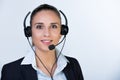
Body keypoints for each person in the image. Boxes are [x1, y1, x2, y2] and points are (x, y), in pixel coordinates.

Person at [1, 4, 84, 80]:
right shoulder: (10, 71)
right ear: (29, 32)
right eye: (39, 27)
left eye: (53, 26)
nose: (47, 34)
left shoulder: (73, 65)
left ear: (62, 32)